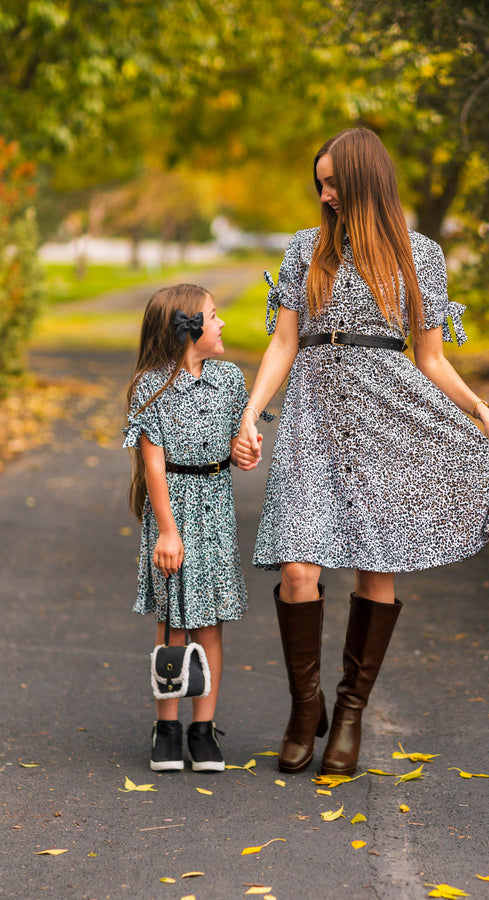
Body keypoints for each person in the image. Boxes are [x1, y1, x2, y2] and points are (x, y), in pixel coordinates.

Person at [236, 127, 489, 777]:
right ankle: (305, 708)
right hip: (311, 416)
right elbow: (282, 343)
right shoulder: (305, 249)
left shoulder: (421, 256)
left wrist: (482, 411)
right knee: (299, 567)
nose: (325, 194)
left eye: (334, 182)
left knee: (374, 565)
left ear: (366, 180)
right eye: (320, 184)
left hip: (389, 415)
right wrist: (251, 410)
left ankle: (351, 711)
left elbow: (432, 358)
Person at [123, 284, 266, 772]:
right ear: (187, 329)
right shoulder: (150, 386)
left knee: (210, 622)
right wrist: (167, 530)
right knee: (172, 622)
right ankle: (167, 728)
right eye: (214, 315)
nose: (222, 323)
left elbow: (236, 446)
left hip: (216, 509)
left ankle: (202, 730)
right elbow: (154, 466)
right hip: (173, 511)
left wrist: (243, 451)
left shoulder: (228, 379)